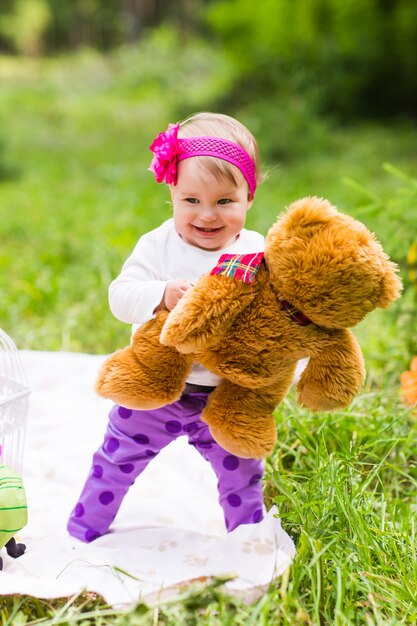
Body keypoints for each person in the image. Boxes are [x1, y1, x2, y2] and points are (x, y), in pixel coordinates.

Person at [67, 112, 267, 543]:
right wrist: (161, 293)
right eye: (191, 201)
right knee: (117, 460)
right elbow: (120, 296)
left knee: (242, 475)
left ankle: (249, 541)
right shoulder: (158, 245)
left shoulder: (257, 253)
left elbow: (276, 318)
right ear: (172, 193)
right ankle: (84, 530)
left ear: (248, 196)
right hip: (155, 390)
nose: (207, 215)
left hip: (224, 396)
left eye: (224, 202)